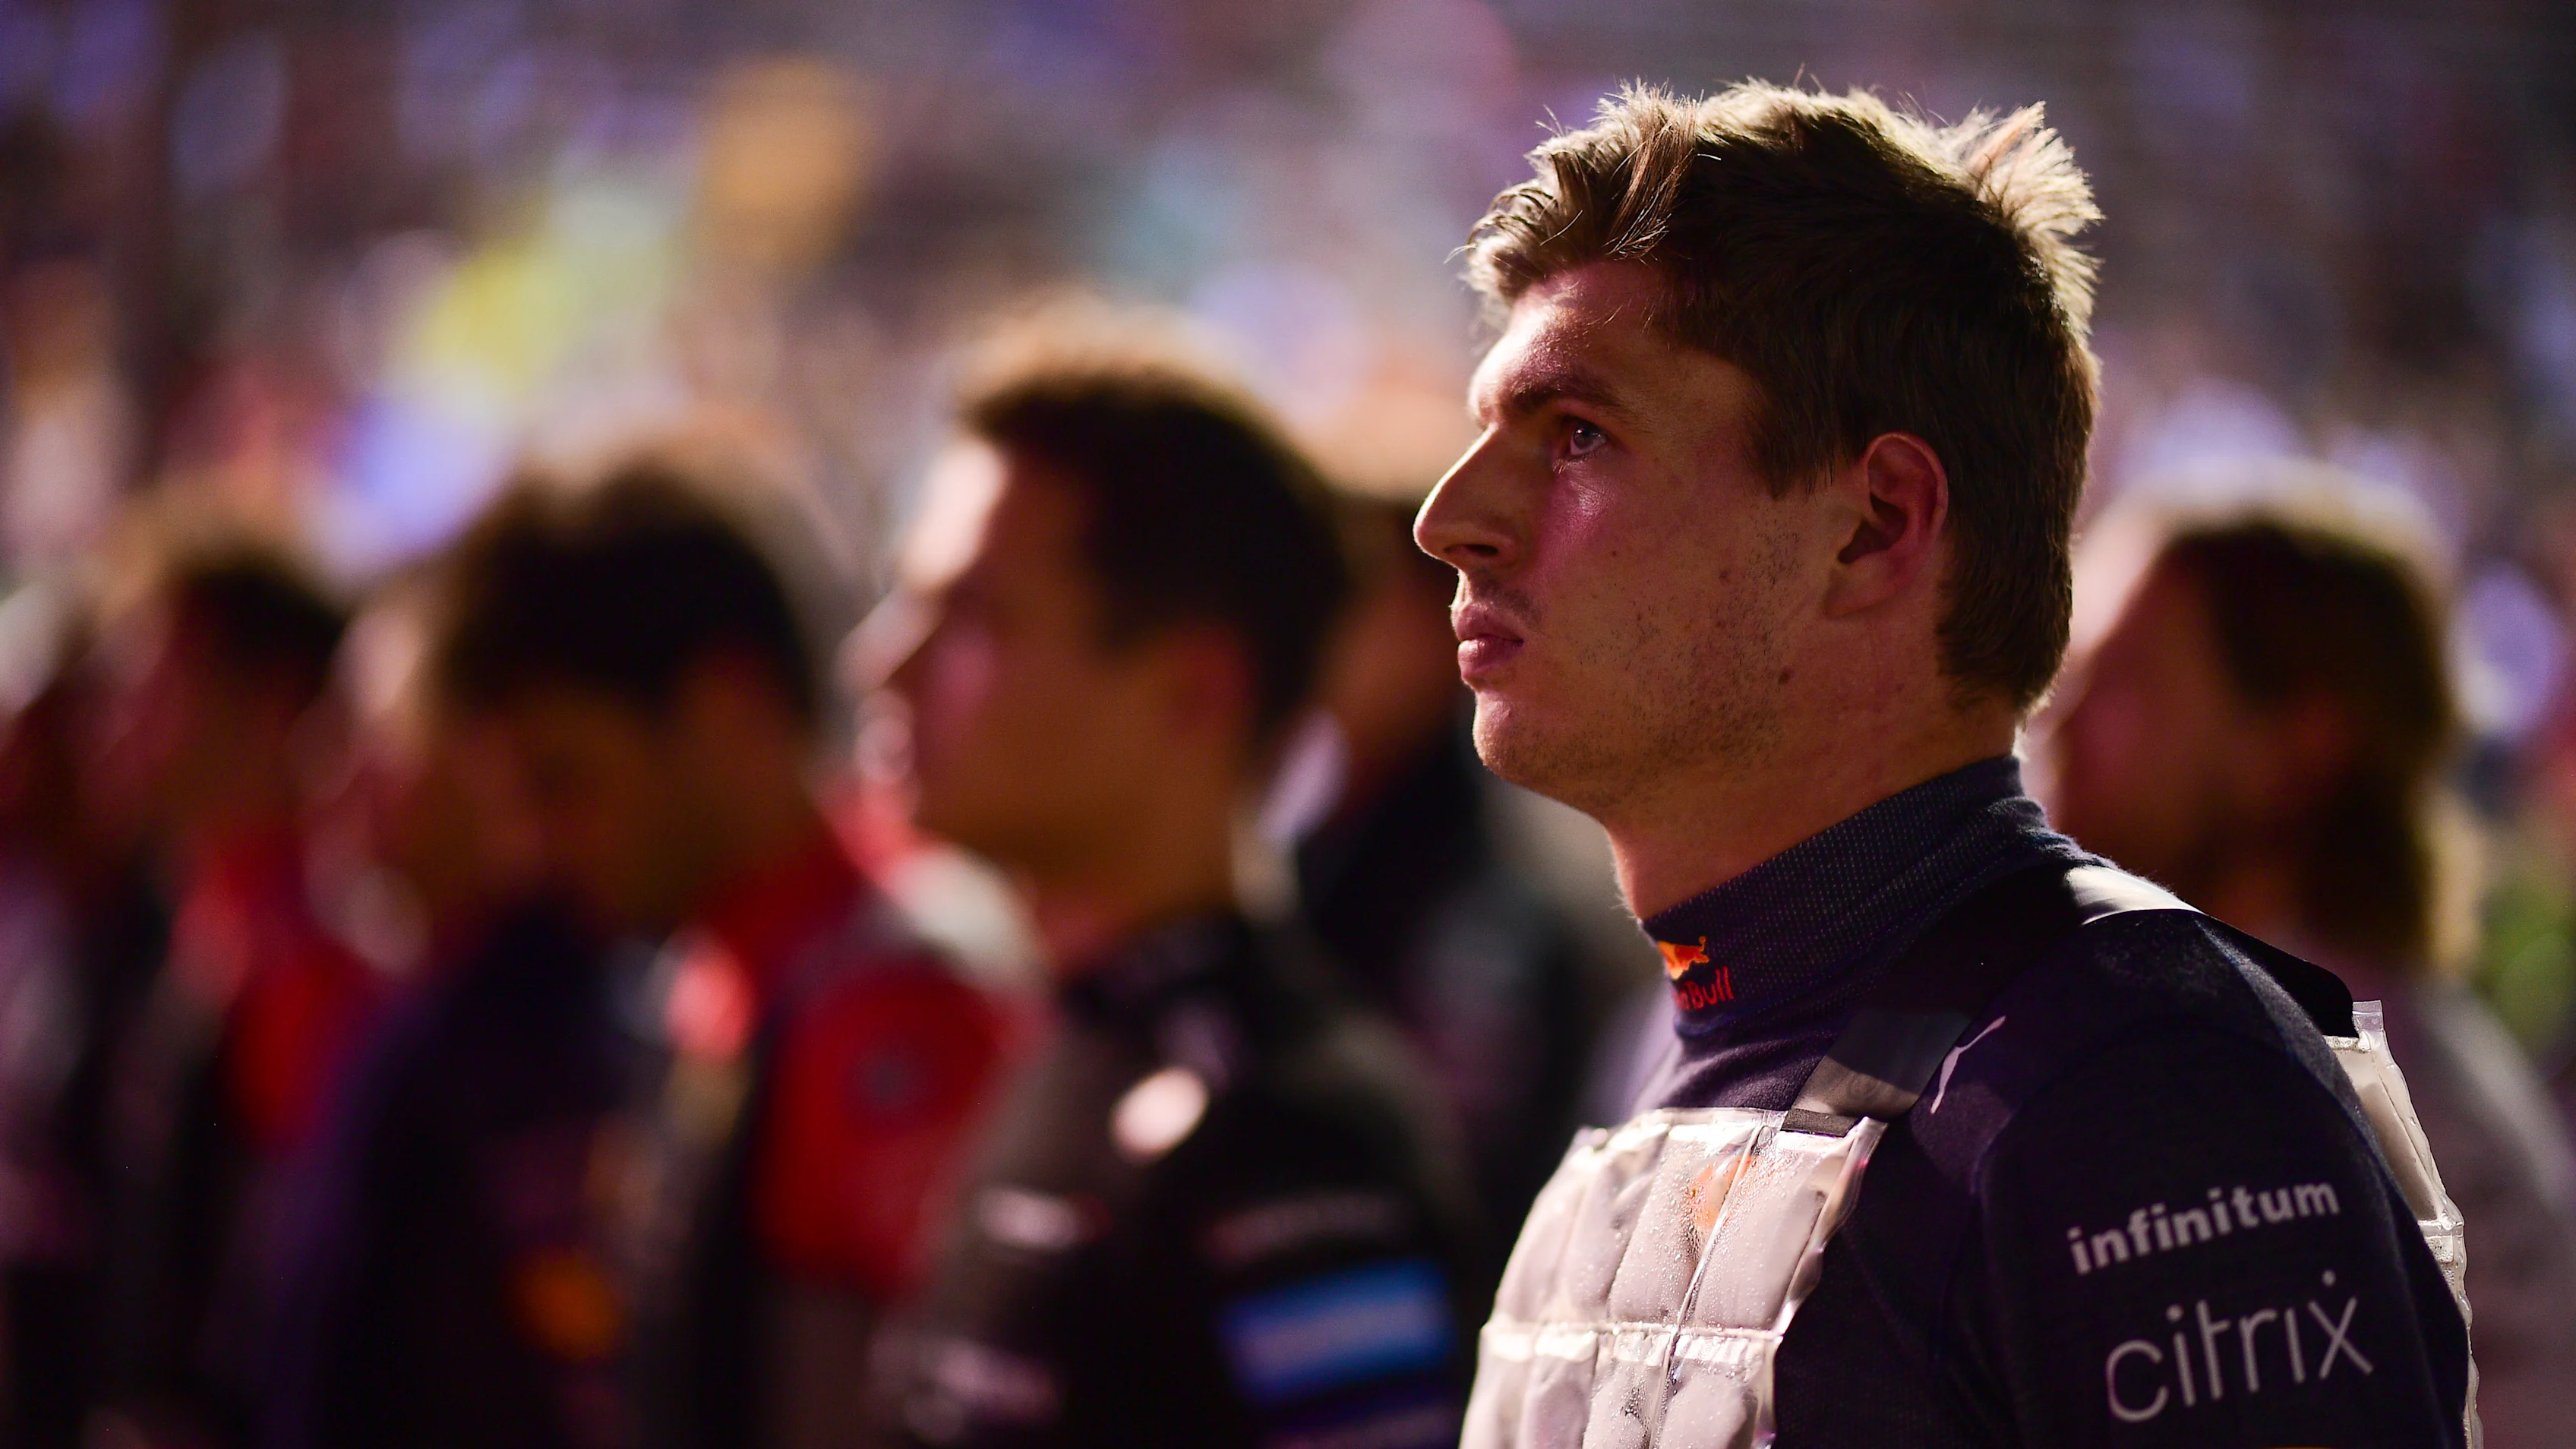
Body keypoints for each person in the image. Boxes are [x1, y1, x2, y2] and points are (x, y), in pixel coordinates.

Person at [1414, 82, 2471, 1446]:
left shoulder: (2142, 1076)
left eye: (1575, 434)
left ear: (1873, 526)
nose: (1451, 520)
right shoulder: (1700, 1055)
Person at [867, 355, 1482, 1448]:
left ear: (1194, 690)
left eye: (975, 616)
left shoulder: (1280, 1132)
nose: (882, 663)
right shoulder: (1081, 1038)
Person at [432, 463, 1012, 1449]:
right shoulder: (701, 984)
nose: (533, 849)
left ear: (727, 709)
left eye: (565, 783)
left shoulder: (891, 1009)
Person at [2047, 500, 2576, 1447]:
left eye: (2124, 680)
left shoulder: (2302, 1082)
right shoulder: (2324, 1026)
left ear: (2297, 748)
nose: (2061, 716)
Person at [260, 580, 633, 1449]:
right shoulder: (415, 1012)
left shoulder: (537, 1046)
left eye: (380, 738)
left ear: (489, 761)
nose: (337, 775)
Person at [87, 524, 377, 1449]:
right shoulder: (200, 927)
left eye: (156, 684)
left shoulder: (319, 967)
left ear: (270, 700)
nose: (122, 720)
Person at [1291, 494, 1596, 1232]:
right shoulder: (1305, 831)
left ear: (1444, 623)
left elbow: (1471, 1168)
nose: (1319, 626)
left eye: (1359, 595)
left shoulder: (1494, 899)